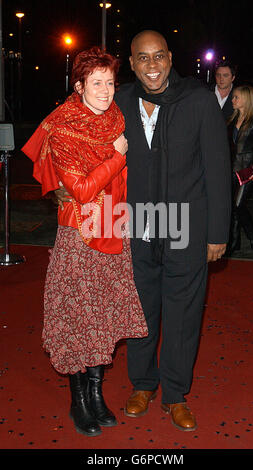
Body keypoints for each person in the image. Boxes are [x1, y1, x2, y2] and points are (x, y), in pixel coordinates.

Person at [55, 30, 232, 432]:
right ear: (131, 64)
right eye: (142, 58)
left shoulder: (199, 101)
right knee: (139, 310)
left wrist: (218, 233)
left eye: (158, 57)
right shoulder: (118, 100)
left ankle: (175, 393)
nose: (152, 65)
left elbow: (219, 170)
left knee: (184, 313)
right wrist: (62, 183)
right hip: (133, 223)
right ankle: (143, 385)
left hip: (186, 224)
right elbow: (71, 125)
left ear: (170, 58)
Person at [21, 47, 148, 437]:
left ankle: (97, 394)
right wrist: (116, 156)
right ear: (78, 86)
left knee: (103, 315)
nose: (106, 91)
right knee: (78, 317)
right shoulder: (63, 125)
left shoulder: (115, 117)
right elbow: (80, 188)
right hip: (80, 234)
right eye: (96, 83)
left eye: (110, 83)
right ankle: (79, 400)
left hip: (113, 227)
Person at [226, 85, 253, 254]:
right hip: (231, 169)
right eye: (233, 97)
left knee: (237, 205)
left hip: (247, 170)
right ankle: (239, 241)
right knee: (233, 207)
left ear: (246, 100)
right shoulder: (232, 120)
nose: (232, 100)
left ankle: (245, 238)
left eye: (236, 97)